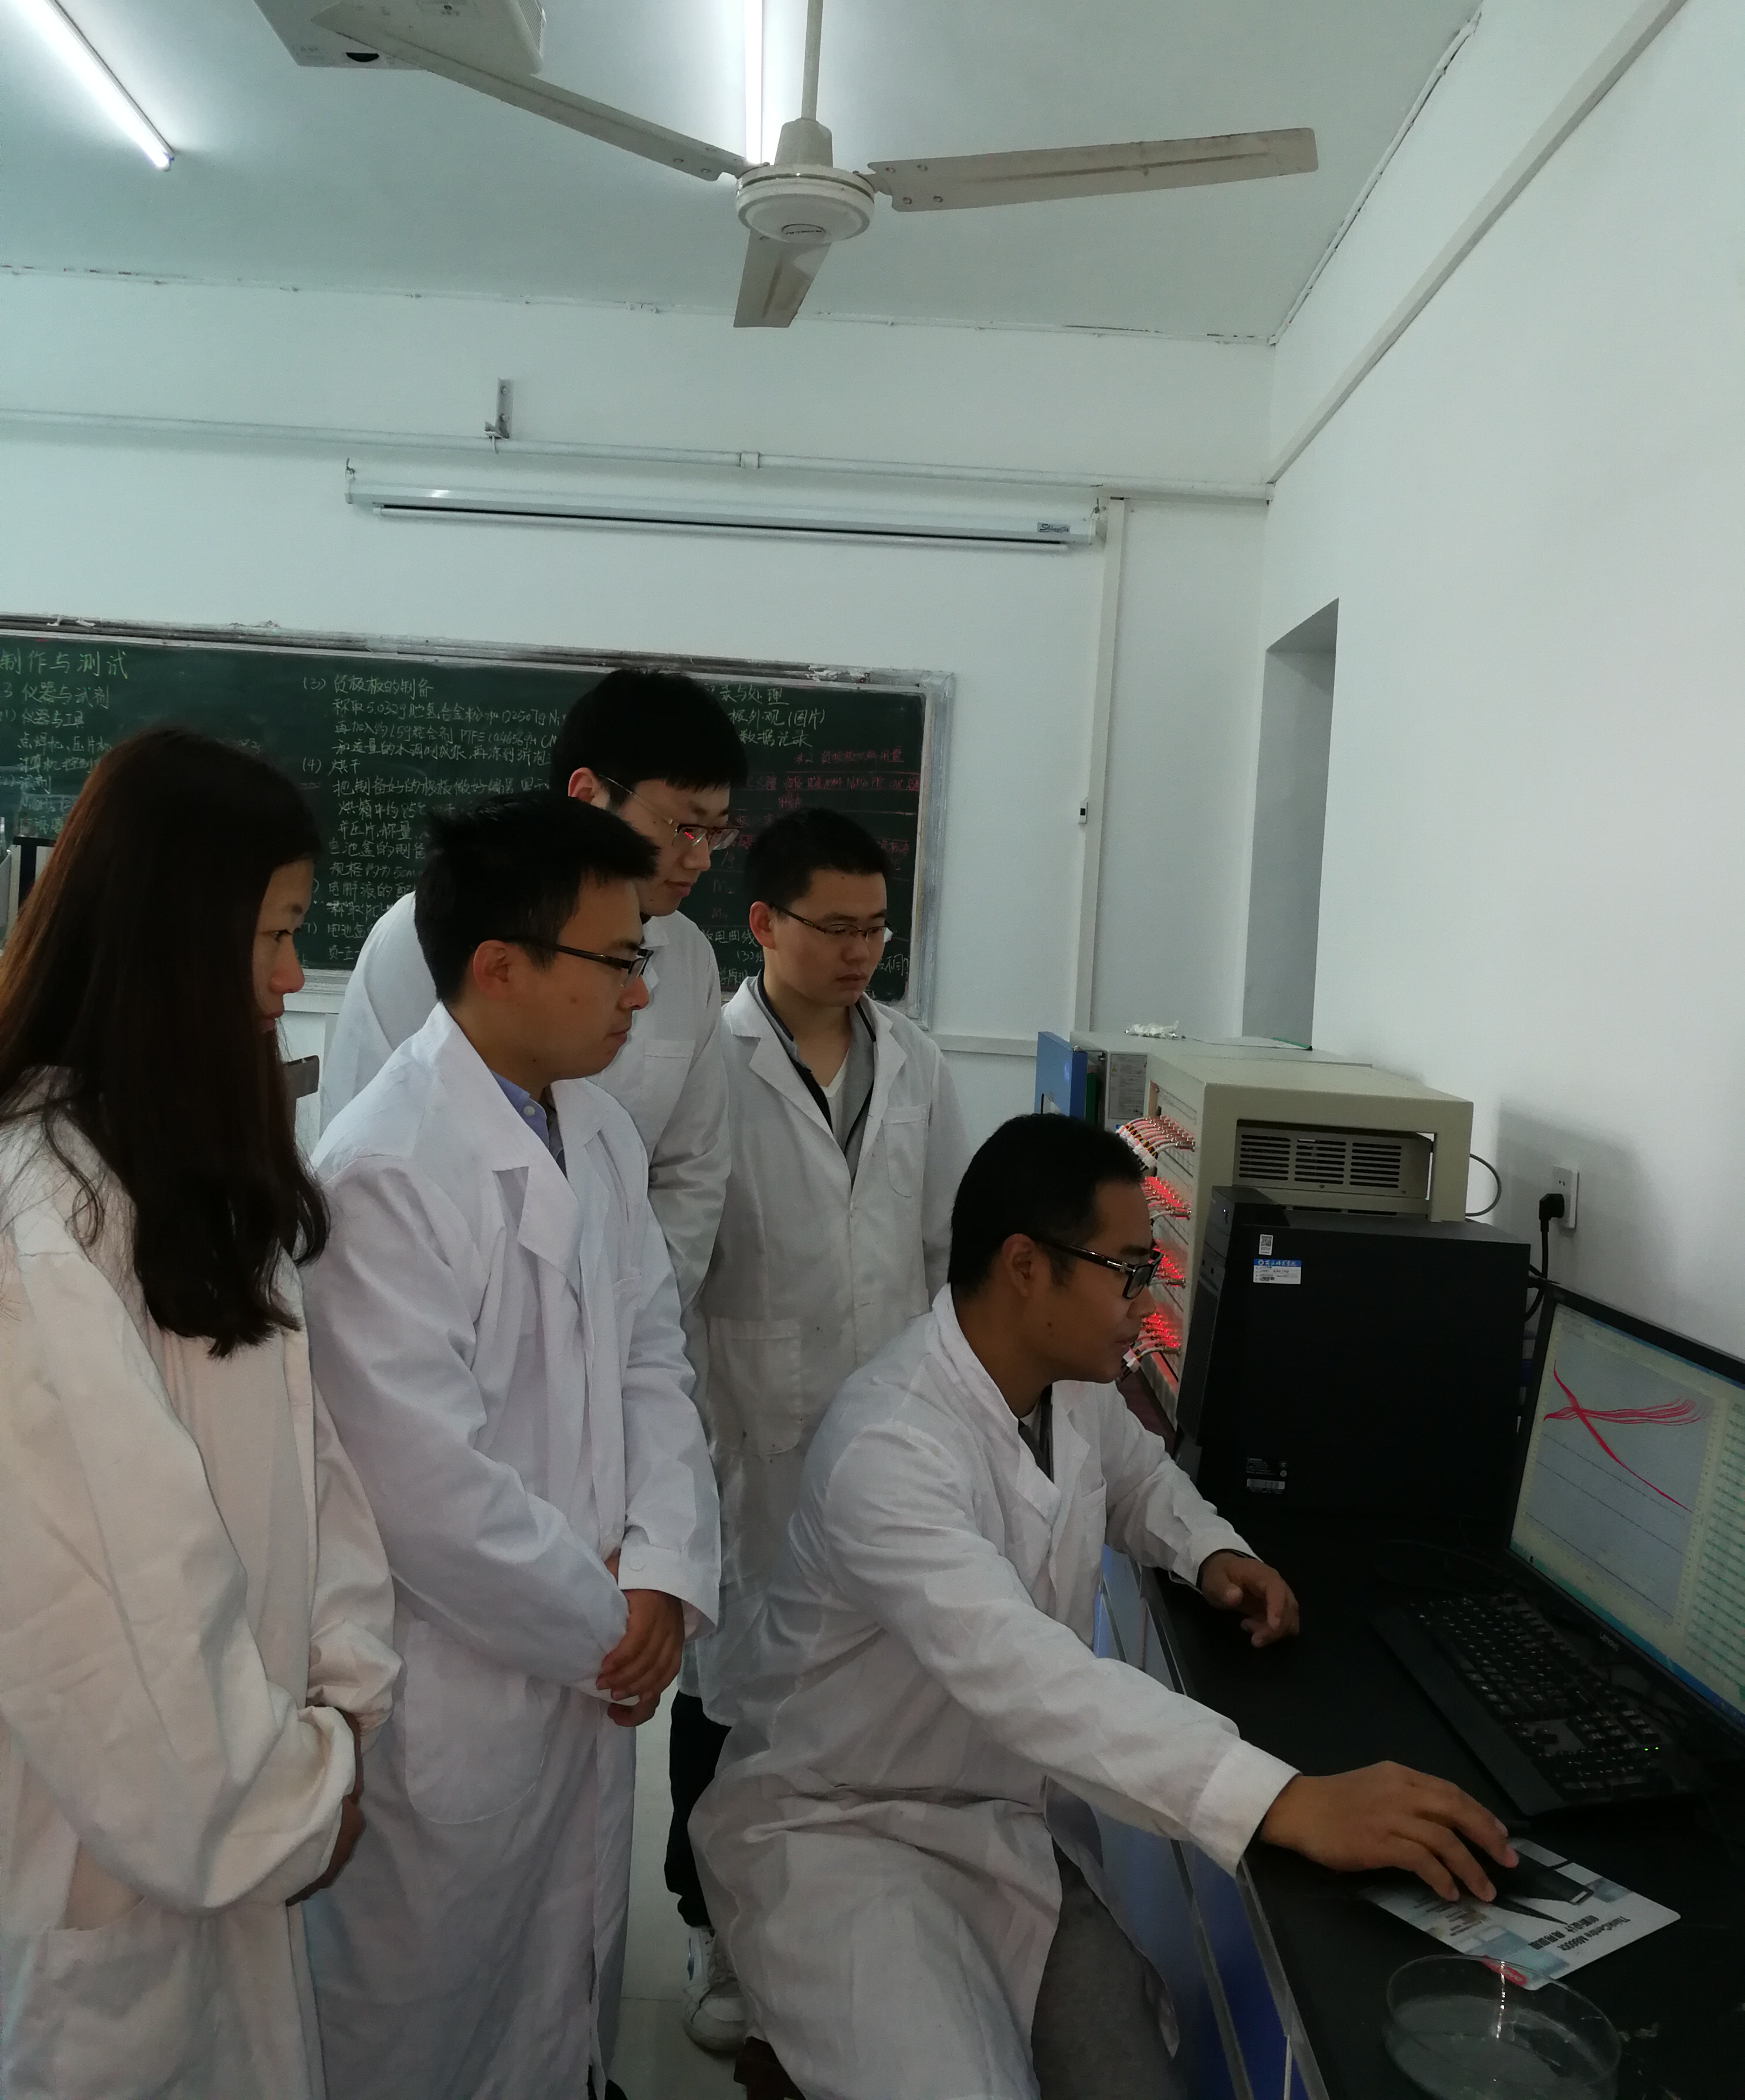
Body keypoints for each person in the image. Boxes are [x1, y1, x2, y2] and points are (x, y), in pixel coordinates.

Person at [692, 1112, 1517, 2100]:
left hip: (1003, 1824)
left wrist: (1210, 1550)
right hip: (844, 1828)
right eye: (1127, 1269)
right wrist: (1285, 1801)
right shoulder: (891, 1447)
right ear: (1026, 1266)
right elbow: (1027, 1673)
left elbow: (1138, 1481)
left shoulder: (1064, 1384)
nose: (1145, 1299)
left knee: (1128, 2075)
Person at [301, 791, 720, 2100]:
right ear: (499, 964)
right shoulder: (385, 1167)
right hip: (458, 1683)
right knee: (425, 2024)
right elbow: (423, 1488)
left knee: (561, 1992)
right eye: (618, 959)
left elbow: (654, 1356)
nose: (639, 995)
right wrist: (607, 1618)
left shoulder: (593, 1126)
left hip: (588, 1653)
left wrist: (663, 1567)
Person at [0, 725, 399, 2100]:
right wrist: (286, 1793)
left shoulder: (190, 1175)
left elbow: (311, 1465)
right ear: (175, 941)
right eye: (275, 933)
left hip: (236, 1794)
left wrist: (344, 1694)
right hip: (116, 1850)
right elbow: (108, 1607)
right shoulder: (45, 1221)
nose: (292, 976)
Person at [673, 808, 970, 2053]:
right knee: (729, 1685)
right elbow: (680, 1262)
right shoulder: (709, 1057)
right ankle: (712, 1923)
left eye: (876, 929)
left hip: (889, 1432)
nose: (859, 952)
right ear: (763, 922)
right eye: (835, 927)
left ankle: (837, 1912)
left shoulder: (917, 1061)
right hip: (749, 1426)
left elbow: (946, 1248)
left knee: (859, 1683)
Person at [320, 664, 746, 1309]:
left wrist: (623, 1314)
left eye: (716, 832)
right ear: (589, 793)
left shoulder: (689, 957)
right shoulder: (422, 935)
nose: (702, 857)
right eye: (685, 826)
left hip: (627, 1313)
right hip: (448, 1299)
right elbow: (368, 1142)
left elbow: (693, 1169)